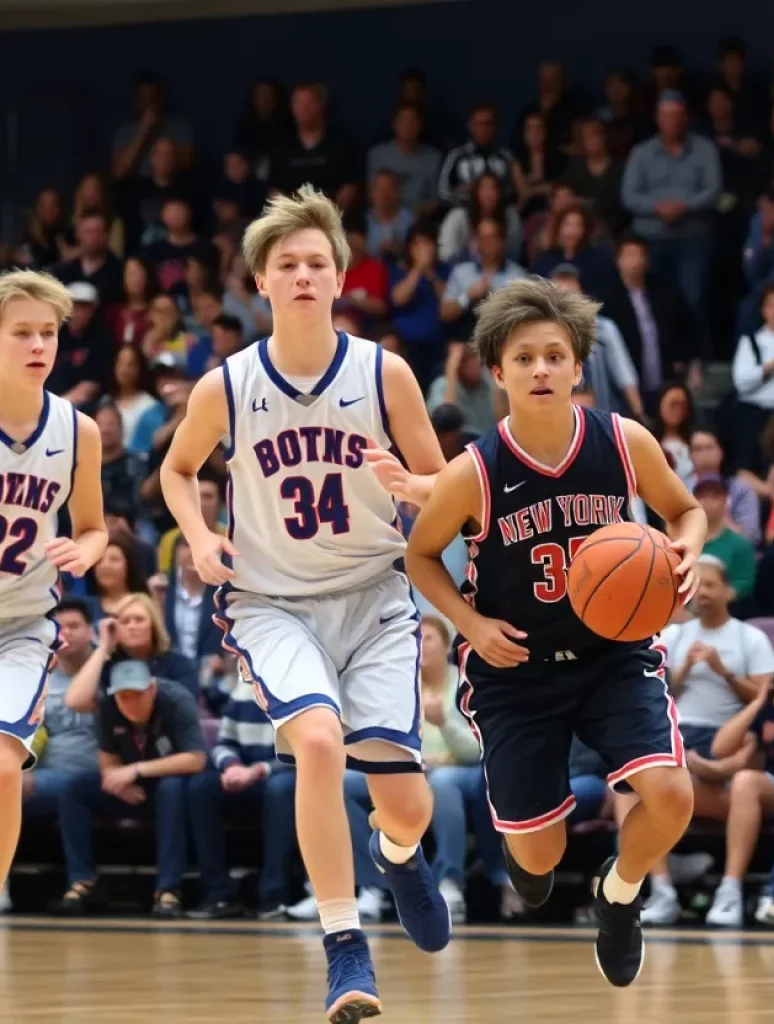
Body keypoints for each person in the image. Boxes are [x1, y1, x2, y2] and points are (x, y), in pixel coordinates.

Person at [159, 186, 449, 1023]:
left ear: (339, 274)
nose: (303, 275)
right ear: (261, 280)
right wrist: (200, 534)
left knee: (406, 802)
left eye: (317, 262)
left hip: (374, 598)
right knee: (317, 742)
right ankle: (343, 943)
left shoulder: (383, 372)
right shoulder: (228, 385)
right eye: (287, 264)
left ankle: (397, 854)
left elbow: (445, 488)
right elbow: (178, 470)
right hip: (273, 602)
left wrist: (415, 485)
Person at [405, 277, 705, 987]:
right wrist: (471, 623)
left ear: (578, 365)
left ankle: (620, 893)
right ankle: (528, 852)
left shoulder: (624, 441)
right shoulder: (474, 470)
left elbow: (684, 510)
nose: (541, 369)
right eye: (523, 358)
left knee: (672, 796)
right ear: (497, 372)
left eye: (554, 356)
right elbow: (419, 555)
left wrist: (687, 548)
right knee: (538, 860)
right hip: (516, 669)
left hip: (613, 654)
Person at [0, 269, 107, 906]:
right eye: (22, 333)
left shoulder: (78, 431)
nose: (40, 345)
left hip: (21, 624)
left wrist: (81, 549)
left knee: (4, 766)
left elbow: (93, 529)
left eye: (49, 333)